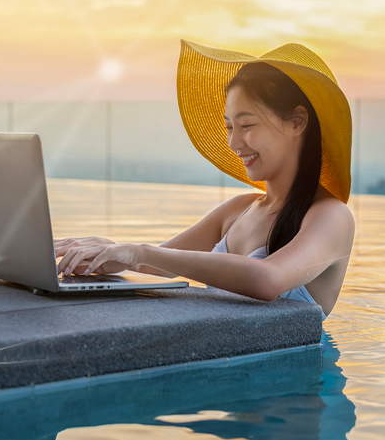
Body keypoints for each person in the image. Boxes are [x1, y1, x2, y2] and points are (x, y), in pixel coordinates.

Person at [54, 40, 355, 319]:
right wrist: (108, 252)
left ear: (297, 122)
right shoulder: (238, 210)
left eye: (247, 124)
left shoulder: (331, 216)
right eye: (228, 127)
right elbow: (157, 264)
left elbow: (268, 279)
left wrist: (139, 251)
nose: (235, 142)